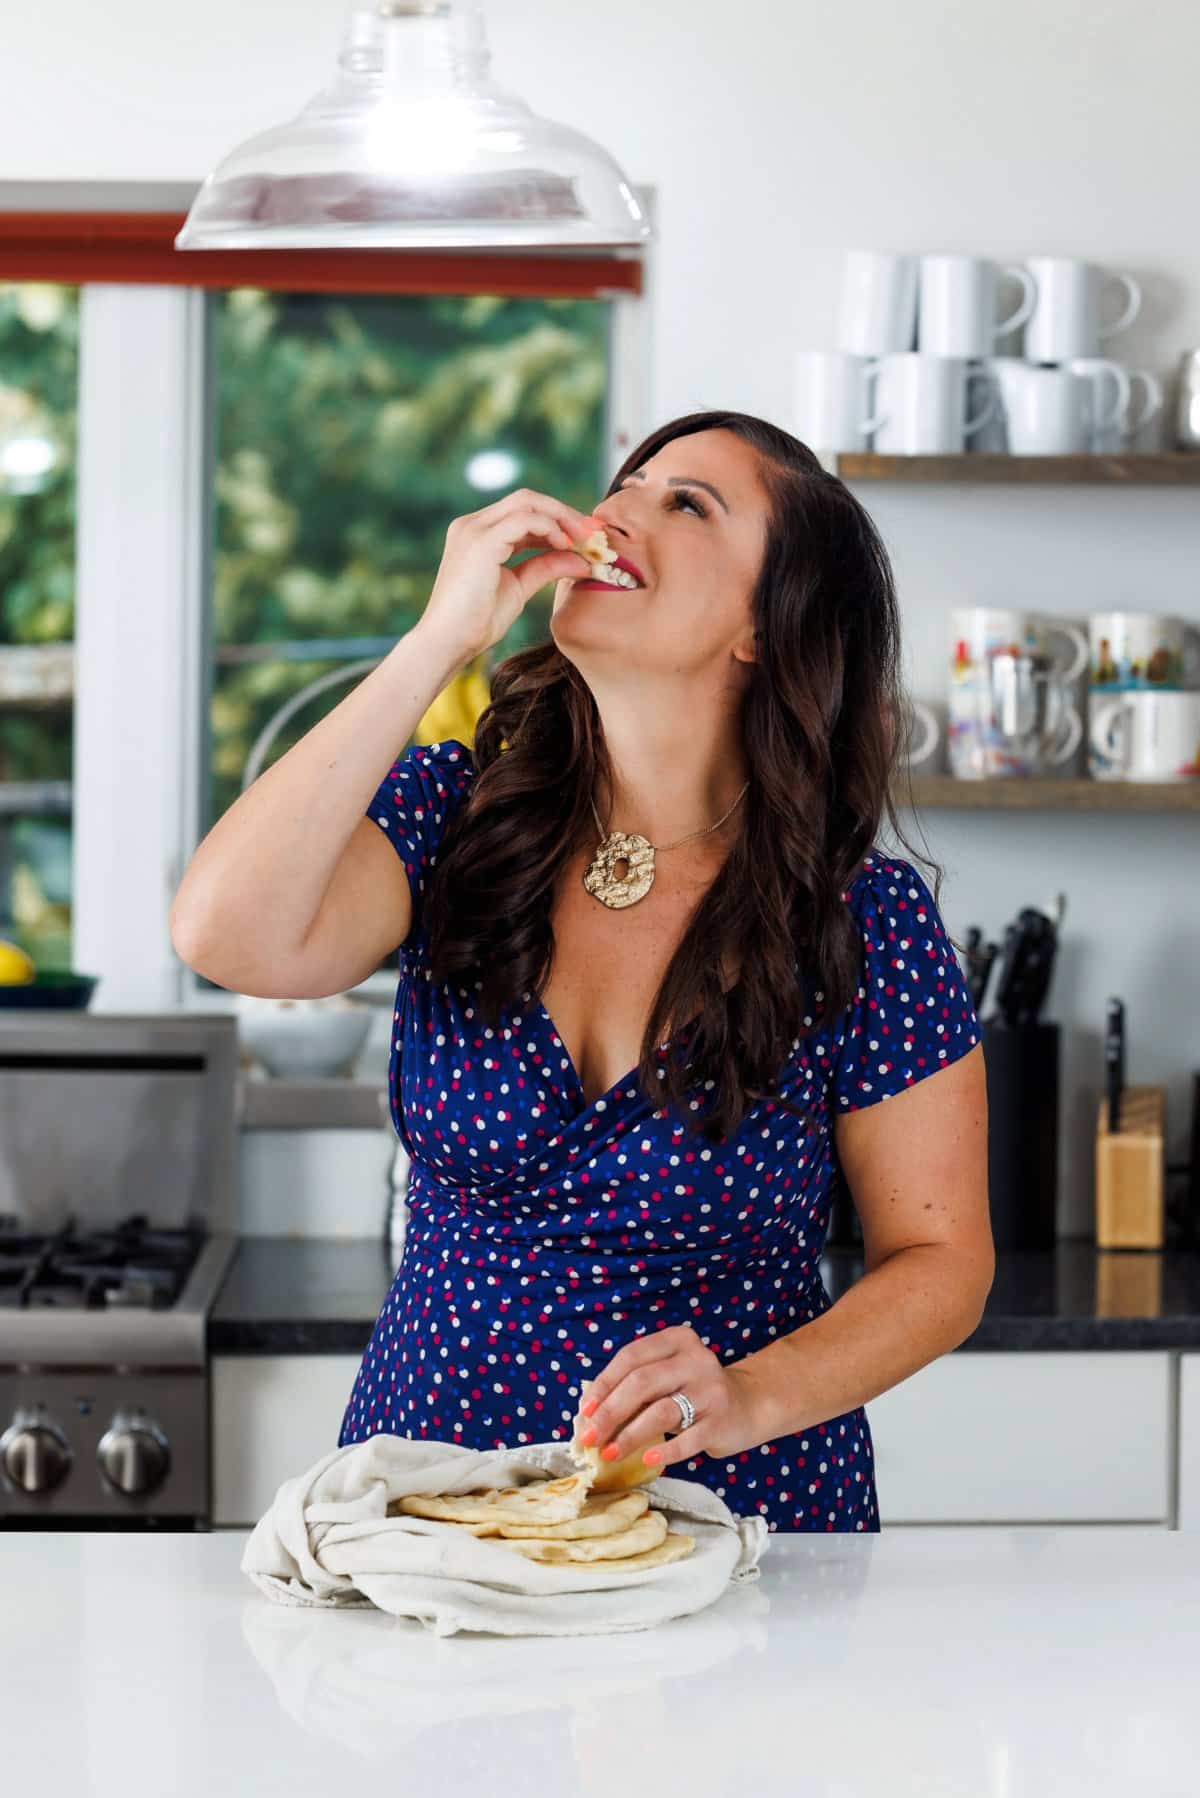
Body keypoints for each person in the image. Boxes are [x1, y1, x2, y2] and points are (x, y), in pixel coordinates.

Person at [171, 409, 991, 1533]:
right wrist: (431, 643)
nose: (618, 511)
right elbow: (223, 931)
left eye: (685, 502)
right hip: (429, 1519)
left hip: (734, 1532)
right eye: (627, 484)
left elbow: (941, 1260)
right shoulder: (456, 819)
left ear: (766, 623)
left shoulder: (862, 920)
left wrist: (750, 1394)